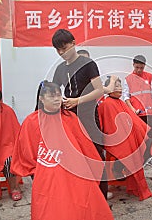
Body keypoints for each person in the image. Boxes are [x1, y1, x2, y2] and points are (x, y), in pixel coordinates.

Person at [11, 81, 113, 220]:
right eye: (51, 96)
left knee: (80, 204)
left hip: (73, 168)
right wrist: (38, 171)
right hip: (46, 169)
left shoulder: (70, 118)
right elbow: (26, 151)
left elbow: (85, 146)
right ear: (41, 98)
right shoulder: (32, 121)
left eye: (59, 95)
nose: (56, 99)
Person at [51, 29, 108, 198]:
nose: (61, 52)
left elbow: (98, 91)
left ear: (74, 43)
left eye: (64, 47)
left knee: (96, 156)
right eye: (58, 49)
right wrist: (59, 100)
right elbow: (54, 90)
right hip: (69, 117)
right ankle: (81, 196)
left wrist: (77, 100)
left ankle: (101, 197)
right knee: (73, 157)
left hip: (89, 115)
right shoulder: (60, 69)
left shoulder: (88, 64)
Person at [98, 77, 152, 201]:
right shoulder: (106, 104)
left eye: (120, 86)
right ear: (108, 89)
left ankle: (120, 168)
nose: (119, 88)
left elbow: (132, 119)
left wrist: (138, 133)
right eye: (116, 86)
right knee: (131, 152)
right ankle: (119, 167)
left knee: (149, 144)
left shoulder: (121, 102)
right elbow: (105, 126)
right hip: (117, 141)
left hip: (129, 137)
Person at [122, 55, 152, 168]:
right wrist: (132, 109)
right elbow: (126, 96)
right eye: (137, 67)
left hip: (148, 113)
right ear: (133, 65)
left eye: (141, 68)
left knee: (150, 136)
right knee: (139, 138)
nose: (139, 70)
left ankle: (150, 158)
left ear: (144, 66)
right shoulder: (128, 79)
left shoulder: (149, 77)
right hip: (136, 113)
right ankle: (139, 160)